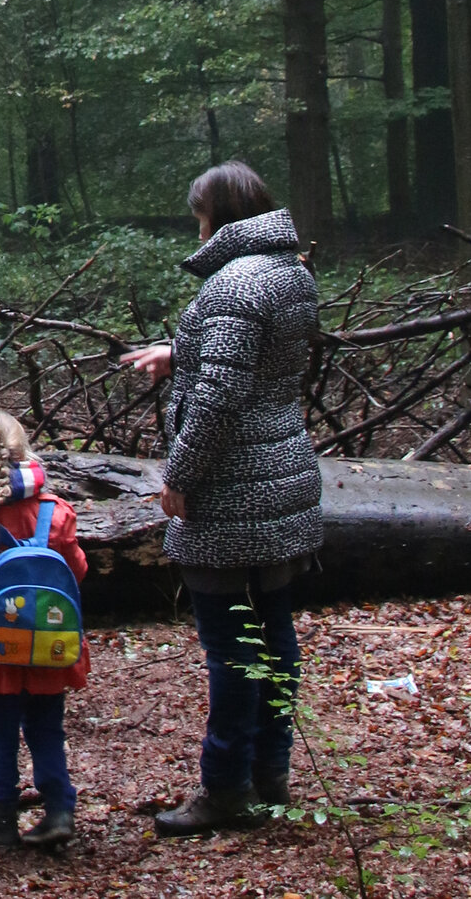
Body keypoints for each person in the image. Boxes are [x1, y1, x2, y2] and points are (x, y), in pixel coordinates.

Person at [120, 160, 323, 836]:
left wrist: (180, 476)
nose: (195, 225)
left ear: (216, 215)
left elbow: (221, 397)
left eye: (198, 213)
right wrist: (177, 352)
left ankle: (226, 788)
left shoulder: (234, 285)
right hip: (282, 475)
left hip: (237, 489)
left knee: (233, 643)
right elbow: (253, 358)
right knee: (274, 631)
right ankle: (271, 774)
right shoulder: (287, 270)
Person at [0, 410, 90, 849]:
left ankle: (2, 819)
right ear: (24, 452)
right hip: (49, 644)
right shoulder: (54, 513)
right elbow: (75, 572)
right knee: (48, 730)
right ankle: (59, 811)